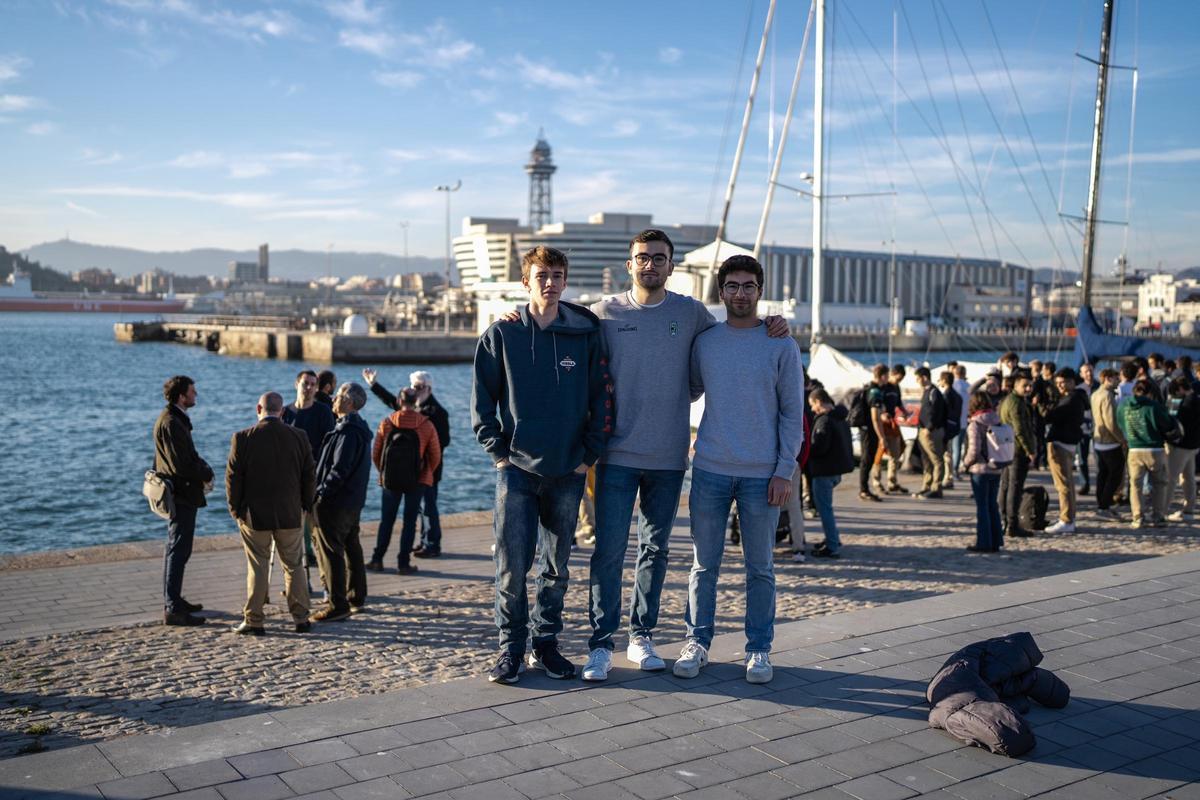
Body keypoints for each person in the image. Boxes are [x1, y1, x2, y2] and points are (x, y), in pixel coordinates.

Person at [538, 228, 792, 682]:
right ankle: (601, 644)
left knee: (655, 550)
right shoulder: (603, 312)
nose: (650, 264)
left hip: (670, 457)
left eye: (659, 258)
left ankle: (642, 636)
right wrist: (518, 317)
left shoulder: (693, 315)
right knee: (610, 551)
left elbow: (730, 349)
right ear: (629, 263)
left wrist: (776, 324)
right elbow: (556, 331)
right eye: (643, 257)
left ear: (672, 266)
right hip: (615, 455)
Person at [472, 245, 610, 684]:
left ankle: (545, 645)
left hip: (568, 472)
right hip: (516, 471)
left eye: (556, 274)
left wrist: (587, 456)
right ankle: (510, 649)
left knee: (556, 568)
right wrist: (499, 455)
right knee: (512, 567)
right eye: (541, 275)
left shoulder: (584, 331)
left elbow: (601, 399)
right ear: (525, 282)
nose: (549, 282)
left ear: (565, 280)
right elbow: (481, 406)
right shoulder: (502, 335)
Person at [675, 254, 805, 685]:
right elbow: (687, 391)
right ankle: (697, 641)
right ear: (721, 291)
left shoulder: (781, 343)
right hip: (710, 469)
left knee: (760, 567)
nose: (740, 293)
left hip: (762, 474)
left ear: (760, 290)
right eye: (732, 285)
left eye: (748, 286)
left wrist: (784, 470)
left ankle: (759, 649)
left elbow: (792, 413)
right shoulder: (706, 342)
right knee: (702, 565)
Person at [225, 391, 315, 635]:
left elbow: (233, 478)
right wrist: (306, 505)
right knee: (294, 565)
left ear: (258, 409)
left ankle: (254, 619)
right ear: (282, 412)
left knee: (258, 566)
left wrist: (235, 509)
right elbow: (309, 475)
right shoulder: (299, 436)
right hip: (290, 512)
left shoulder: (243, 438)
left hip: (255, 514)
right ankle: (301, 618)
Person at [362, 368, 452, 557]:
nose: (416, 390)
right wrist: (373, 385)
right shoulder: (413, 409)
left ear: (429, 388)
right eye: (413, 386)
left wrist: (424, 455)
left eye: (419, 387)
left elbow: (443, 442)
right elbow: (393, 401)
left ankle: (433, 544)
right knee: (419, 508)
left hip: (428, 470)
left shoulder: (437, 412)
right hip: (409, 471)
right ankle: (423, 541)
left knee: (429, 507)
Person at [154, 375, 214, 626]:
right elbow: (182, 462)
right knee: (179, 549)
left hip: (179, 491)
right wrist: (206, 473)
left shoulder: (172, 419)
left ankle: (175, 599)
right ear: (181, 396)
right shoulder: (172, 423)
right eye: (192, 391)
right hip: (182, 493)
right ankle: (173, 607)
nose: (195, 395)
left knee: (177, 547)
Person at [310, 382, 372, 622]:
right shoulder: (359, 429)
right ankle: (355, 596)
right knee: (351, 546)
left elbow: (338, 470)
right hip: (352, 500)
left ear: (348, 402)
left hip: (335, 503)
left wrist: (321, 494)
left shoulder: (347, 432)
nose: (333, 399)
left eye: (338, 396)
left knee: (332, 551)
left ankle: (338, 604)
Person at [282, 370, 336, 571]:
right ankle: (299, 575)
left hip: (315, 476)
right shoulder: (286, 412)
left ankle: (321, 570)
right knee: (295, 526)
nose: (309, 388)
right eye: (305, 383)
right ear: (297, 385)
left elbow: (328, 445)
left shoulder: (323, 412)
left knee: (316, 525)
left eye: (313, 384)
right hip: (291, 478)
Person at [1118, 379, 1175, 530]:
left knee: (1135, 485)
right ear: (1150, 392)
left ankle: (1137, 517)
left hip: (1134, 449)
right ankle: (1158, 516)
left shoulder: (1124, 405)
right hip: (1154, 449)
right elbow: (1167, 424)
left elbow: (1120, 423)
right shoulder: (1153, 406)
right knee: (1159, 484)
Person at [806, 388, 853, 558]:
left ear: (819, 402)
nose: (812, 409)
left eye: (812, 405)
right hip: (836, 470)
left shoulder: (824, 421)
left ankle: (832, 545)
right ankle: (832, 538)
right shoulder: (840, 418)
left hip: (824, 471)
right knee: (827, 508)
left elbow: (820, 447)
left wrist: (806, 449)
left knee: (824, 509)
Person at [1044, 368, 1086, 534]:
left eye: (1063, 382)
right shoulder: (1079, 397)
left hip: (1060, 443)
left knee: (1063, 484)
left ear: (1072, 382)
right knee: (1067, 482)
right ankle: (1068, 517)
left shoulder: (1070, 400)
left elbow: (1050, 416)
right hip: (1069, 443)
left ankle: (1066, 519)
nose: (1060, 386)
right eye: (1058, 383)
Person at [961, 391, 1004, 552]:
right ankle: (996, 540)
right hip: (996, 467)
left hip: (980, 468)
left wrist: (965, 464)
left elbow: (974, 450)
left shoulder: (975, 424)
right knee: (993, 505)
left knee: (982, 507)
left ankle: (984, 542)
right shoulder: (997, 420)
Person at [999, 370, 1036, 538]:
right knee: (1014, 487)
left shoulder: (1011, 400)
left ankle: (1004, 521)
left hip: (1008, 449)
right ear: (1015, 385)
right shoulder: (1016, 403)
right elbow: (1020, 429)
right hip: (1017, 450)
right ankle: (1012, 524)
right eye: (1025, 386)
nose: (1028, 388)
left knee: (1006, 486)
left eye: (1030, 385)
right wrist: (1030, 451)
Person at [1091, 368, 1126, 520]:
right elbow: (1110, 422)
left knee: (1103, 474)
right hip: (1109, 441)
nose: (1118, 381)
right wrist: (1122, 439)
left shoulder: (1095, 394)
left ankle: (1102, 505)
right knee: (1115, 476)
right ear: (1107, 378)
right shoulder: (1106, 396)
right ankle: (1104, 506)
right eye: (1116, 378)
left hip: (1099, 440)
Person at [1165, 376, 1200, 521]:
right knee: (1188, 477)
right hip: (1194, 445)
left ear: (1180, 389)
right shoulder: (1197, 399)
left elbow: (1178, 425)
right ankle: (1189, 509)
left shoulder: (1186, 403)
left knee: (1170, 478)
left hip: (1182, 446)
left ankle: (1162, 509)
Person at [913, 367, 947, 499]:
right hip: (923, 430)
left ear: (924, 377)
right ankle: (926, 486)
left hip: (931, 432)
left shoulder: (934, 392)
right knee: (926, 460)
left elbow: (937, 411)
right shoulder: (926, 392)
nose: (917, 381)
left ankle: (936, 488)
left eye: (917, 378)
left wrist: (929, 427)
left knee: (936, 460)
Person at [858, 364, 888, 501]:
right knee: (867, 459)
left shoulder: (870, 388)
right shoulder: (875, 391)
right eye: (887, 375)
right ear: (882, 376)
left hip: (866, 428)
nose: (888, 378)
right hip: (869, 430)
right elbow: (875, 417)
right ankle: (863, 490)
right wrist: (881, 437)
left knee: (867, 459)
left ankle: (864, 488)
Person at [878, 365, 908, 494]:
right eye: (897, 378)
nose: (898, 381)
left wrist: (904, 412)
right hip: (881, 423)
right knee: (878, 455)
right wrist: (882, 413)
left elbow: (898, 402)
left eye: (900, 380)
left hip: (892, 423)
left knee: (896, 452)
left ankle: (892, 481)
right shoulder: (883, 387)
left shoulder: (896, 388)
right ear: (892, 374)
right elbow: (876, 405)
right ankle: (876, 481)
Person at [938, 370, 962, 490]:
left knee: (946, 454)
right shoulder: (957, 395)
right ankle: (949, 476)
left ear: (944, 380)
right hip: (955, 426)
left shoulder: (946, 395)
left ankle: (947, 478)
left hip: (947, 428)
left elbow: (943, 413)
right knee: (949, 453)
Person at [1077, 363, 1098, 496]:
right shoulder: (1079, 389)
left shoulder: (1099, 387)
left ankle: (1100, 485)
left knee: (1098, 458)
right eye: (1086, 372)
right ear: (1081, 374)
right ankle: (1084, 484)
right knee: (1082, 459)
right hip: (1082, 427)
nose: (1089, 374)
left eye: (1090, 371)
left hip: (1098, 428)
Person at [952, 364, 971, 476]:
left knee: (952, 448)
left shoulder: (952, 386)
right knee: (959, 447)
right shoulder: (968, 386)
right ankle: (956, 469)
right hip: (964, 421)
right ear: (964, 374)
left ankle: (951, 469)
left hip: (952, 421)